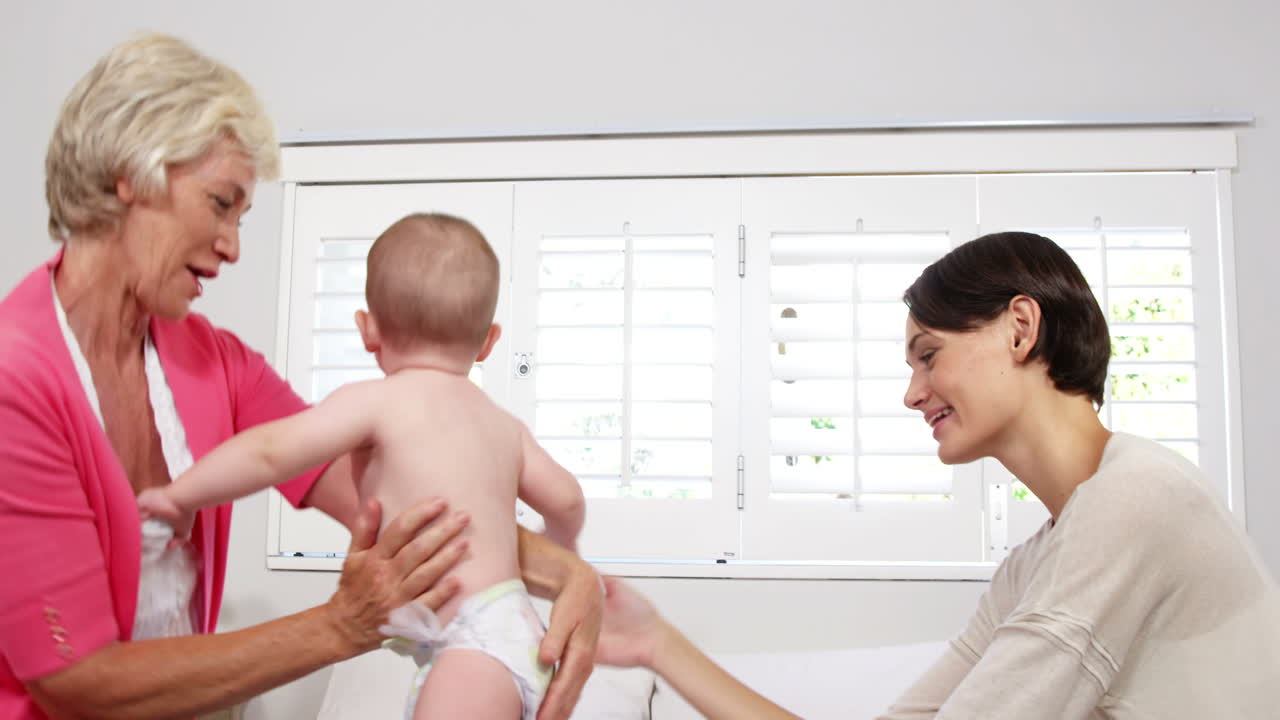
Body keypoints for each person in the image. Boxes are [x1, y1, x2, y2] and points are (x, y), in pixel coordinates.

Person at [0, 33, 601, 720]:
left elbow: (414, 503)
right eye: (221, 204)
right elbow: (74, 678)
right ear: (129, 173)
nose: (232, 246)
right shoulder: (15, 378)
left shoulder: (214, 361)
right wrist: (335, 627)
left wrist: (574, 578)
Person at [594, 231, 1280, 718]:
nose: (912, 393)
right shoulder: (1031, 566)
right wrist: (662, 645)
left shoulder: (1136, 498)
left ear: (1020, 328)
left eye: (929, 355)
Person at [139, 212, 588, 720]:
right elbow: (567, 496)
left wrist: (181, 496)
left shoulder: (374, 403)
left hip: (472, 649)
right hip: (512, 628)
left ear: (367, 329)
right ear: (489, 340)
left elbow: (268, 453)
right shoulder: (503, 425)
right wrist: (564, 545)